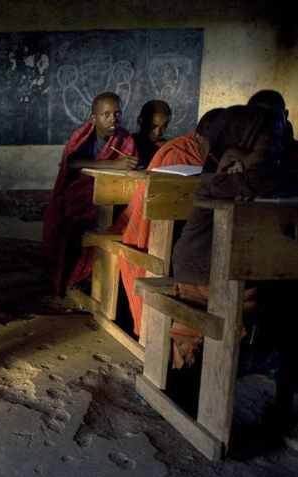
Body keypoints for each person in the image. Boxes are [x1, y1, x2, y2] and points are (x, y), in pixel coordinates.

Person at [168, 104, 298, 439]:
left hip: (249, 273)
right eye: (268, 141)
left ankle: (279, 396)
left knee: (282, 301)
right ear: (240, 142)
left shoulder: (266, 173)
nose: (275, 147)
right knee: (261, 308)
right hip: (204, 275)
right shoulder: (222, 177)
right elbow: (260, 184)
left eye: (280, 139)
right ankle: (195, 382)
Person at [110, 107, 225, 336]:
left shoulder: (227, 161)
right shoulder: (175, 153)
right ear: (198, 139)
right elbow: (156, 206)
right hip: (166, 233)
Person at [42, 91, 138, 296]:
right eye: (106, 115)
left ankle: (109, 279)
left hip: (112, 194)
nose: (113, 119)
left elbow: (128, 169)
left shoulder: (125, 139)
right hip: (79, 195)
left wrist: (129, 166)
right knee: (76, 221)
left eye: (117, 113)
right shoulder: (83, 137)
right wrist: (113, 164)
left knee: (124, 220)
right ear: (93, 118)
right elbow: (72, 162)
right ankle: (78, 277)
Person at [131, 100, 172, 168]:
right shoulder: (129, 143)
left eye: (163, 128)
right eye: (152, 126)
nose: (157, 133)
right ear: (140, 121)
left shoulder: (165, 148)